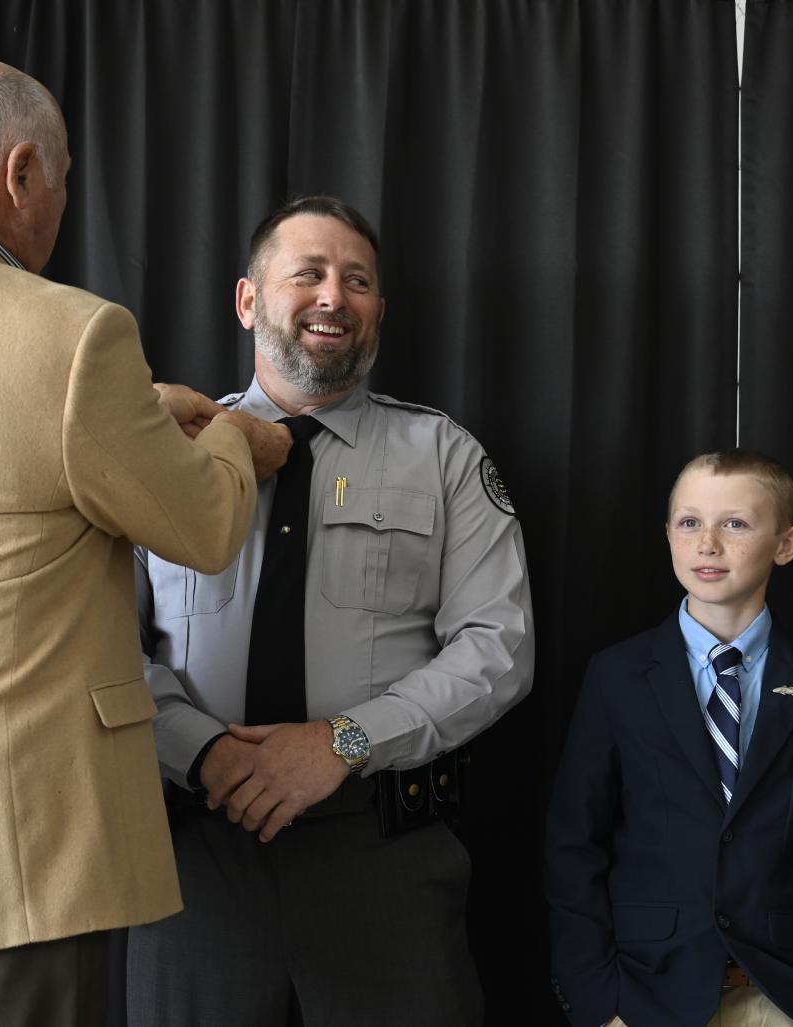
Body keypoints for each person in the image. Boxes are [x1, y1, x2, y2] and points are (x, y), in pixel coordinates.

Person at [0, 57, 285, 1026]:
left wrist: (131, 419)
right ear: (22, 172)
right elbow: (204, 526)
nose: (63, 204)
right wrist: (239, 439)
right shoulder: (72, 336)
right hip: (1, 866)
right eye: (65, 180)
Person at [127, 195, 535, 1026]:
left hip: (380, 855)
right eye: (307, 273)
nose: (332, 296)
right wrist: (204, 753)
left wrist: (342, 744)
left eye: (356, 280)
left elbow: (499, 646)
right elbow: (97, 643)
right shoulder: (157, 453)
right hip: (194, 853)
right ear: (249, 300)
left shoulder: (445, 455)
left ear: (378, 310)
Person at [544, 450, 793, 1027]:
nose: (708, 543)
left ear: (786, 544)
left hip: (785, 998)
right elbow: (575, 845)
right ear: (668, 535)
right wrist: (598, 1000)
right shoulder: (617, 675)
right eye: (689, 522)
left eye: (735, 524)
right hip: (645, 996)